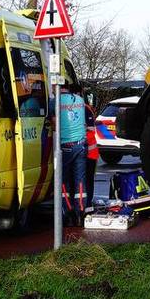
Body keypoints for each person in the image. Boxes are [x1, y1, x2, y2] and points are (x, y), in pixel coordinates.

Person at [58, 82, 88, 226]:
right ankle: (80, 212)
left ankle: (68, 211)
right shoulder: (80, 100)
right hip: (80, 145)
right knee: (80, 180)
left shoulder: (55, 101)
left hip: (65, 146)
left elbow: (52, 121)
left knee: (63, 180)